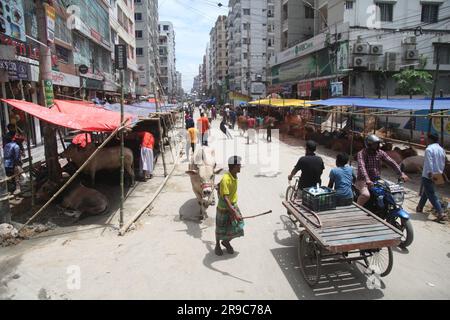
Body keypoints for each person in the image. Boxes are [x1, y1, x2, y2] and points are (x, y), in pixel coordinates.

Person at [356, 134, 409, 206]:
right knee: (366, 195)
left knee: (390, 192)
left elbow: (391, 162)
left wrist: (401, 173)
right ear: (368, 144)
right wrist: (367, 179)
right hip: (363, 180)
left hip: (376, 179)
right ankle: (357, 208)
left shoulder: (380, 152)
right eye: (374, 144)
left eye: (377, 144)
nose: (376, 146)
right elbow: (362, 167)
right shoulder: (362, 153)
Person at [215, 156, 244, 256]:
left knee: (238, 227)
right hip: (224, 208)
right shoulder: (226, 179)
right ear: (235, 166)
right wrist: (234, 212)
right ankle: (217, 245)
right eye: (239, 165)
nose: (240, 166)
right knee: (220, 228)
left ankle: (226, 242)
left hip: (233, 205)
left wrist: (234, 210)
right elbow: (225, 198)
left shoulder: (234, 175)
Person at [416, 133, 448, 221]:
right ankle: (419, 207)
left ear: (430, 139)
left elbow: (428, 162)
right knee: (427, 191)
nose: (426, 139)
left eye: (427, 138)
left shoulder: (429, 149)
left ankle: (441, 213)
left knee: (431, 193)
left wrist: (430, 173)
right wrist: (440, 173)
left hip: (428, 174)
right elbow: (443, 162)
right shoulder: (441, 149)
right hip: (438, 173)